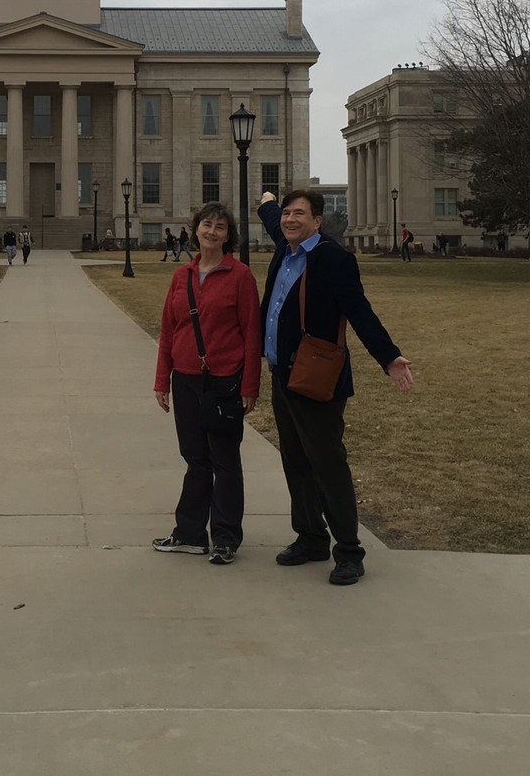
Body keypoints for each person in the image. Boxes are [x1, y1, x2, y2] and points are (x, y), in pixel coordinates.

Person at [259, 189, 414, 587]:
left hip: (316, 380)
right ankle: (310, 537)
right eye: (287, 214)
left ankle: (348, 550)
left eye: (300, 214)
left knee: (327, 464)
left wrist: (389, 357)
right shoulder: (285, 248)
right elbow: (275, 221)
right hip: (282, 376)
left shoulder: (332, 258)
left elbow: (359, 310)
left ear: (317, 222)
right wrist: (267, 204)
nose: (290, 220)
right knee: (295, 460)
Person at [152, 202, 262, 566]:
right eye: (206, 225)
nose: (212, 231)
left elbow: (251, 335)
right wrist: (161, 380)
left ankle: (226, 538)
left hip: (224, 382)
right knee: (195, 458)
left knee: (225, 460)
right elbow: (169, 330)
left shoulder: (240, 276)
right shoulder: (181, 276)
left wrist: (250, 386)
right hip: (184, 379)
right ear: (196, 229)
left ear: (228, 236)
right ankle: (190, 534)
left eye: (220, 227)